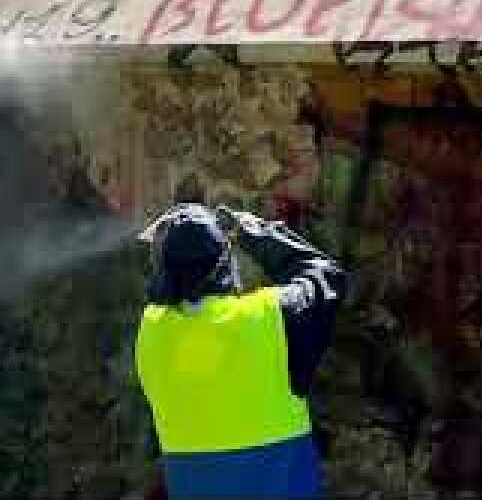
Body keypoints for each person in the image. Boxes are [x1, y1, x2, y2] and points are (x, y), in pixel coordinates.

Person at [135, 202, 347, 499]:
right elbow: (326, 274)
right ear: (226, 263)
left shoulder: (152, 334)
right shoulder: (270, 318)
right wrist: (250, 230)